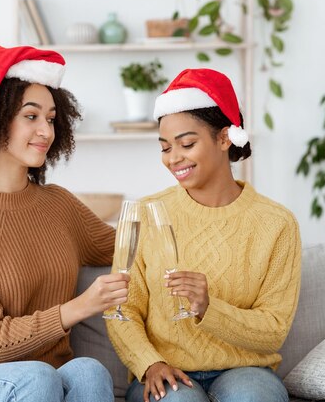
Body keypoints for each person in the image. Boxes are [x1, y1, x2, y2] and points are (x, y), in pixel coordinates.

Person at [0, 41, 129, 402]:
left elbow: (130, 244)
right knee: (39, 377)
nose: (46, 130)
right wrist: (80, 306)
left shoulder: (59, 205)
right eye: (31, 116)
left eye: (50, 118)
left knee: (89, 371)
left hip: (37, 376)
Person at [106, 68, 301, 402]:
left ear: (224, 138)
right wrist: (149, 363)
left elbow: (273, 330)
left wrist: (209, 308)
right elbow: (122, 310)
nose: (173, 158)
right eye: (165, 147)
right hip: (164, 369)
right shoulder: (144, 214)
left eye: (187, 143)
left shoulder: (277, 224)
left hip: (246, 371)